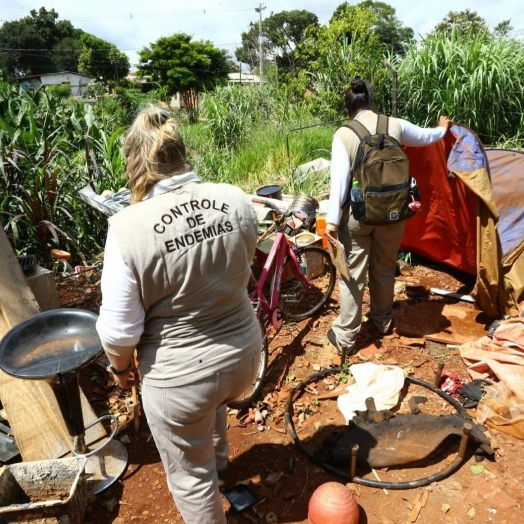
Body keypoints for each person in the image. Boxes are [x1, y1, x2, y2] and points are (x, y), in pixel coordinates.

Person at [95, 105, 261, 524]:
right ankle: (221, 462)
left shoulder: (126, 227)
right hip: (244, 355)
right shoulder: (236, 199)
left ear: (135, 161)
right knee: (216, 401)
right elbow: (244, 264)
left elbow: (118, 331)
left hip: (180, 379)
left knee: (191, 478)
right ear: (181, 152)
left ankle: (211, 471)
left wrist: (120, 369)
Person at [325, 77, 451, 356]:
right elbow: (428, 136)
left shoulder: (344, 134)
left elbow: (339, 186)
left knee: (352, 276)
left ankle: (346, 337)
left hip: (359, 219)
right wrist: (442, 128)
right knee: (383, 269)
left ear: (349, 109)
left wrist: (332, 223)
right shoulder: (396, 125)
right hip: (394, 214)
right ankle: (382, 321)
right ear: (372, 102)